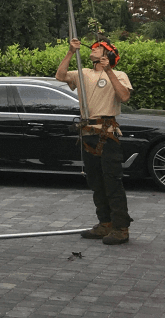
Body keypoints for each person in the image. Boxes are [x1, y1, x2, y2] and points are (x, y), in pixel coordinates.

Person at [55, 36, 133, 245]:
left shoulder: (119, 74)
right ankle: (105, 224)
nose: (92, 48)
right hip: (88, 134)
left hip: (107, 134)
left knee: (112, 182)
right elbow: (60, 76)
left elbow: (124, 97)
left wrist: (108, 71)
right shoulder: (83, 73)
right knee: (96, 182)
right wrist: (71, 52)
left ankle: (121, 228)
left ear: (107, 54)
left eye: (98, 47)